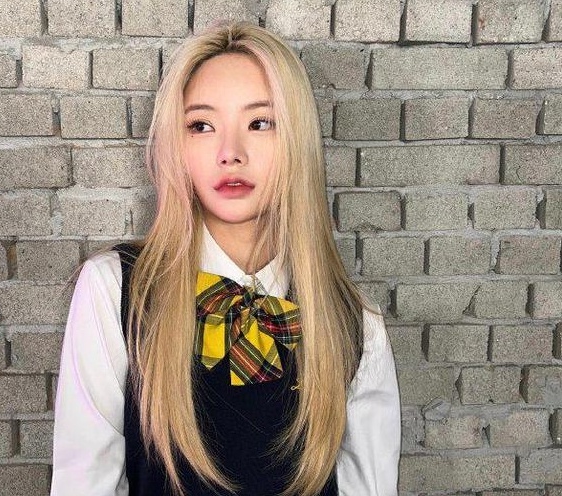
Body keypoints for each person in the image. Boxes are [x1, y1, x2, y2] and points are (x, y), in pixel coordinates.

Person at [51, 21, 400, 496]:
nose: (230, 153)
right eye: (201, 126)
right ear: (177, 144)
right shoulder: (113, 291)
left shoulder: (356, 325)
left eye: (260, 123)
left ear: (296, 139)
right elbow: (83, 484)